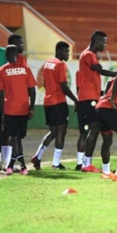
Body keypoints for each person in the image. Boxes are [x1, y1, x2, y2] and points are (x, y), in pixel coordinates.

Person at [31, 41, 78, 170]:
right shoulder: (60, 65)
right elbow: (64, 86)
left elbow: (45, 83)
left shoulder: (48, 63)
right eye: (66, 51)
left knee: (53, 132)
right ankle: (56, 163)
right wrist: (76, 100)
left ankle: (37, 156)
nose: (68, 54)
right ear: (58, 51)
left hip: (48, 101)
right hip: (58, 102)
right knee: (61, 133)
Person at [78, 31, 117, 173]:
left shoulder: (88, 54)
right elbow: (100, 71)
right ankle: (86, 164)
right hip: (88, 98)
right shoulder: (89, 55)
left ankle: (86, 163)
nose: (105, 45)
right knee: (93, 129)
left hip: (90, 97)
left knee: (92, 130)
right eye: (104, 42)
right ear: (96, 41)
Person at [0, 45, 37, 175]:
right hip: (23, 109)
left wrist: (2, 112)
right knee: (17, 138)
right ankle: (20, 166)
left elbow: (1, 93)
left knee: (15, 138)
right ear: (17, 55)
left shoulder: (2, 70)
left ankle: (15, 165)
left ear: (6, 56)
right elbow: (32, 90)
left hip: (10, 109)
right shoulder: (26, 69)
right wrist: (31, 107)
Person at [1, 34, 28, 171]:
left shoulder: (22, 60)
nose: (22, 45)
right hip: (6, 99)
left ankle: (8, 163)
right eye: (20, 43)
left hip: (13, 103)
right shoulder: (3, 55)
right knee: (7, 133)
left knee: (10, 133)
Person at [74, 70, 86, 170]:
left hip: (82, 103)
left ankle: (80, 162)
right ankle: (85, 163)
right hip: (89, 103)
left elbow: (78, 89)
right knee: (89, 133)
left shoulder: (79, 72)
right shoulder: (94, 70)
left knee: (83, 133)